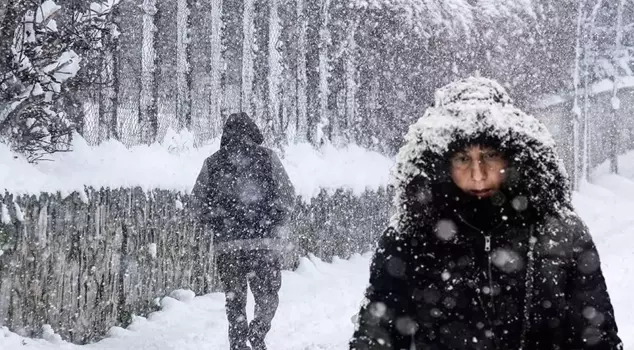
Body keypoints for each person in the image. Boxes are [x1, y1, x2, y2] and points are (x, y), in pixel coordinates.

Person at [349, 77, 622, 350]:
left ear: (513, 155)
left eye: (490, 155)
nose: (478, 176)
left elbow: (598, 338)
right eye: (462, 158)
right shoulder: (409, 240)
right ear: (441, 163)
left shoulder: (560, 232)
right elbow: (374, 339)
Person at [192, 112, 295, 350]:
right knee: (267, 295)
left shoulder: (213, 163)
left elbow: (197, 205)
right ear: (253, 131)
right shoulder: (268, 158)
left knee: (234, 300)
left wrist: (216, 218)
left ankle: (238, 343)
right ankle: (258, 331)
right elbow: (288, 196)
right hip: (264, 244)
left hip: (228, 246)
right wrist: (274, 218)